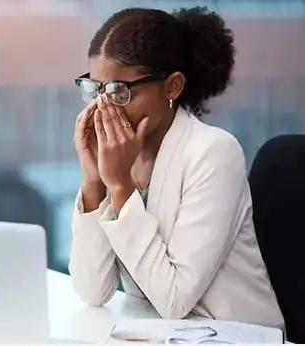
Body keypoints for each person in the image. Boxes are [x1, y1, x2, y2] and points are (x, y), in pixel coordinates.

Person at [69, 6, 284, 328]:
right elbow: (92, 291)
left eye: (119, 91)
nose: (104, 107)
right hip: (159, 331)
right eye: (96, 89)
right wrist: (94, 182)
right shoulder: (120, 159)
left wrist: (119, 185)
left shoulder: (213, 152)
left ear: (172, 86)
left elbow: (174, 300)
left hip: (232, 333)